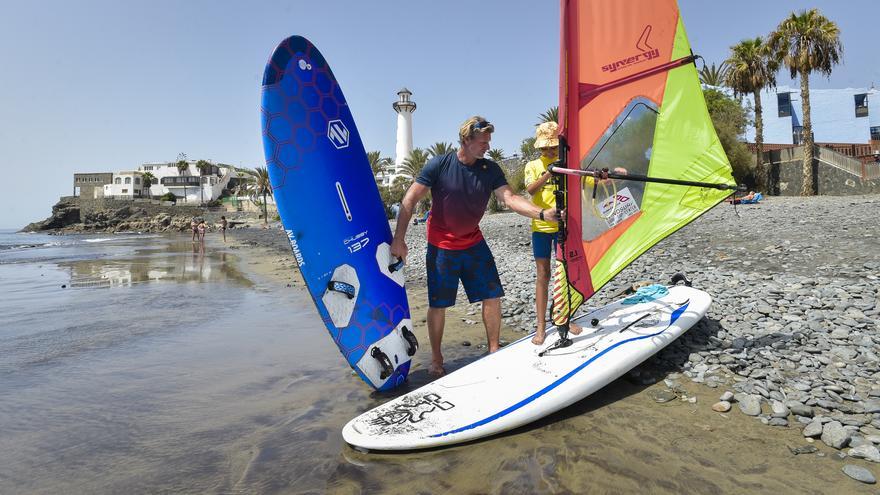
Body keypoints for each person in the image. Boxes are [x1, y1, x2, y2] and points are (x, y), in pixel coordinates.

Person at [391, 116, 561, 376]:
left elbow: (511, 198)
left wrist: (541, 213)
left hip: (474, 242)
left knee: (492, 296)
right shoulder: (439, 165)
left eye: (489, 141)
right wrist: (399, 238)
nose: (487, 147)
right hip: (442, 247)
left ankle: (493, 349)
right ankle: (437, 358)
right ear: (466, 140)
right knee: (439, 304)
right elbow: (410, 199)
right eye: (483, 142)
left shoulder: (489, 169)